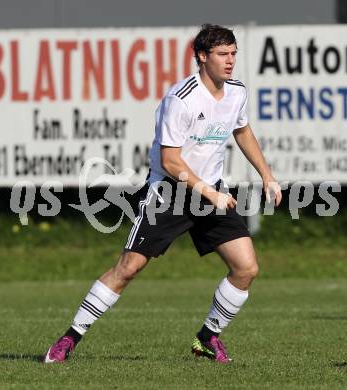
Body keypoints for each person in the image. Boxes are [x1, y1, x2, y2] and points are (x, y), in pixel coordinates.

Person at [44, 24, 282, 364]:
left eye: (233, 54)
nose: (230, 61)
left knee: (246, 268)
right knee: (128, 268)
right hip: (170, 192)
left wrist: (267, 175)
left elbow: (242, 130)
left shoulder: (236, 93)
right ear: (202, 56)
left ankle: (207, 337)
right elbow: (171, 161)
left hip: (211, 191)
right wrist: (207, 193)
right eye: (222, 54)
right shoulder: (181, 99)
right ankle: (69, 338)